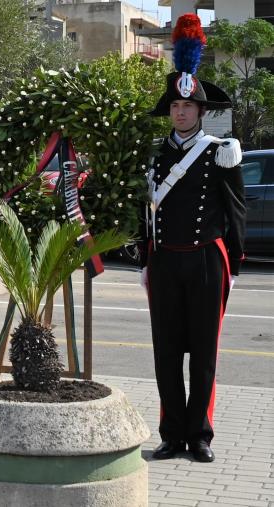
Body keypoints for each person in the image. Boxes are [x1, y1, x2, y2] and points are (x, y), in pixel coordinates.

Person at [140, 14, 246, 463]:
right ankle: (171, 433)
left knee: (203, 353)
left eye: (188, 106)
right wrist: (144, 259)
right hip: (165, 260)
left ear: (201, 111)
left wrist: (233, 264)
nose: (181, 112)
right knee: (166, 352)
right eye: (175, 106)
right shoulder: (154, 156)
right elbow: (145, 213)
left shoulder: (220, 153)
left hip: (206, 260)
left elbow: (236, 211)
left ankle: (200, 434)